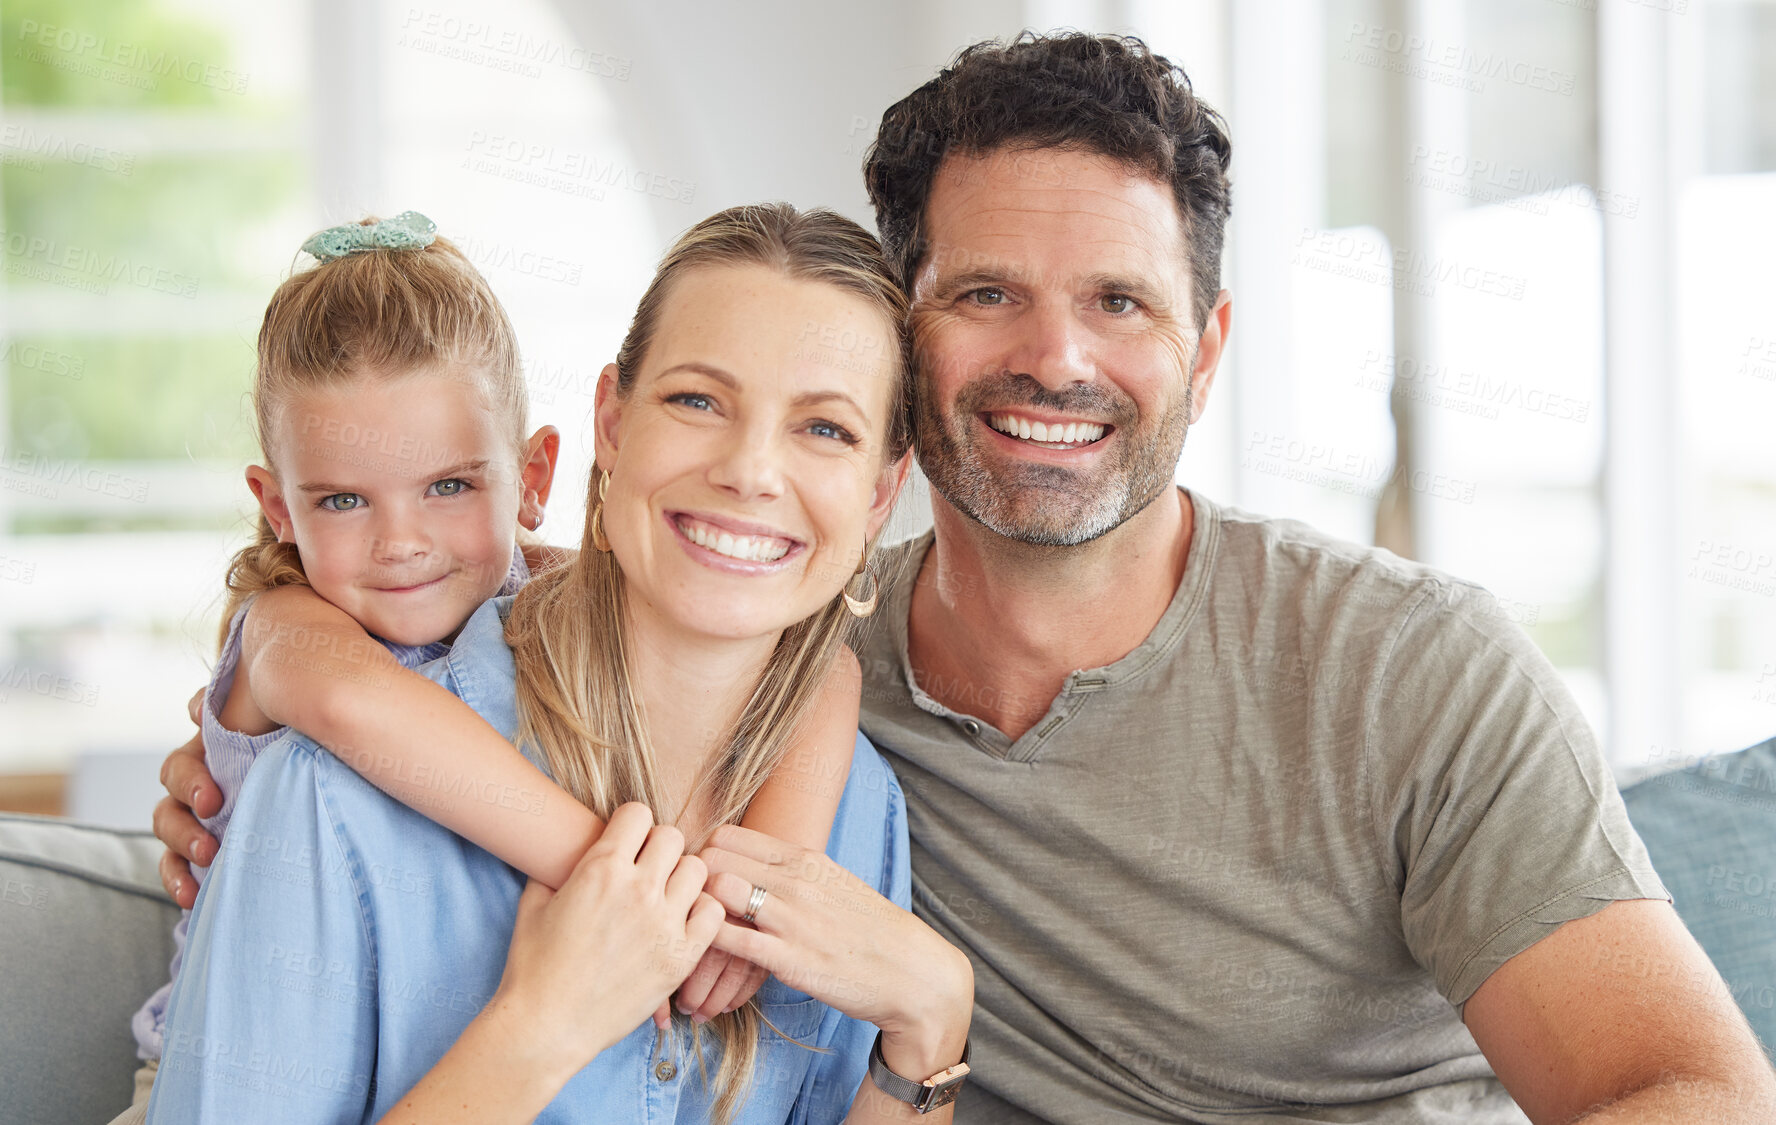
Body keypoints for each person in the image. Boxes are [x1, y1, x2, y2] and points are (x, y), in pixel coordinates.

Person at [155, 33, 1776, 1124]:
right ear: (908, 360)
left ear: (1207, 349)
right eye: (987, 292)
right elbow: (623, 592)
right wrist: (290, 657)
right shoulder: (782, 685)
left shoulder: (1397, 670)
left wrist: (931, 1012)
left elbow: (1692, 1090)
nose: (1055, 356)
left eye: (1121, 305)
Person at [145, 204, 973, 1124]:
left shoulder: (859, 807)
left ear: (881, 496)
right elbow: (341, 693)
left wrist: (933, 1021)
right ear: (610, 426)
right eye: (697, 400)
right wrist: (539, 1026)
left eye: (826, 429)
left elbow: (820, 671)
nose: (750, 471)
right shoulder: (329, 793)